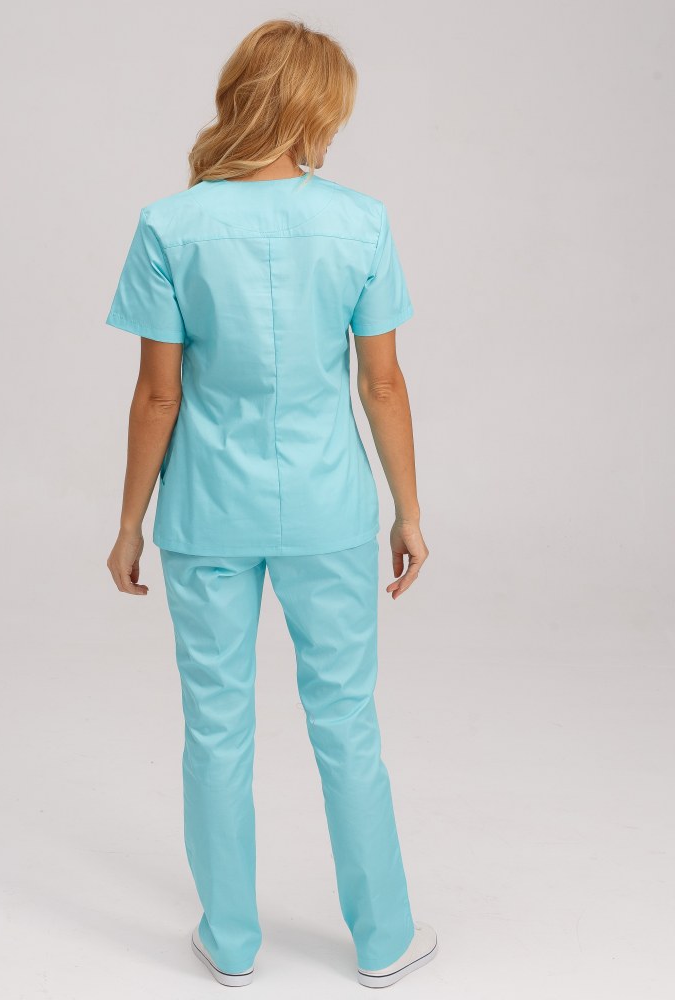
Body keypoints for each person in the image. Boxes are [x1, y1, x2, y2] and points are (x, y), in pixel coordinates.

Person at [105, 17, 438, 990]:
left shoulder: (170, 224)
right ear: (312, 109)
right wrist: (408, 510)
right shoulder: (360, 222)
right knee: (347, 721)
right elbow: (381, 382)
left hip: (205, 514)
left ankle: (232, 942)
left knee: (215, 727)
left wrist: (128, 524)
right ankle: (383, 939)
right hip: (329, 511)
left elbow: (157, 396)